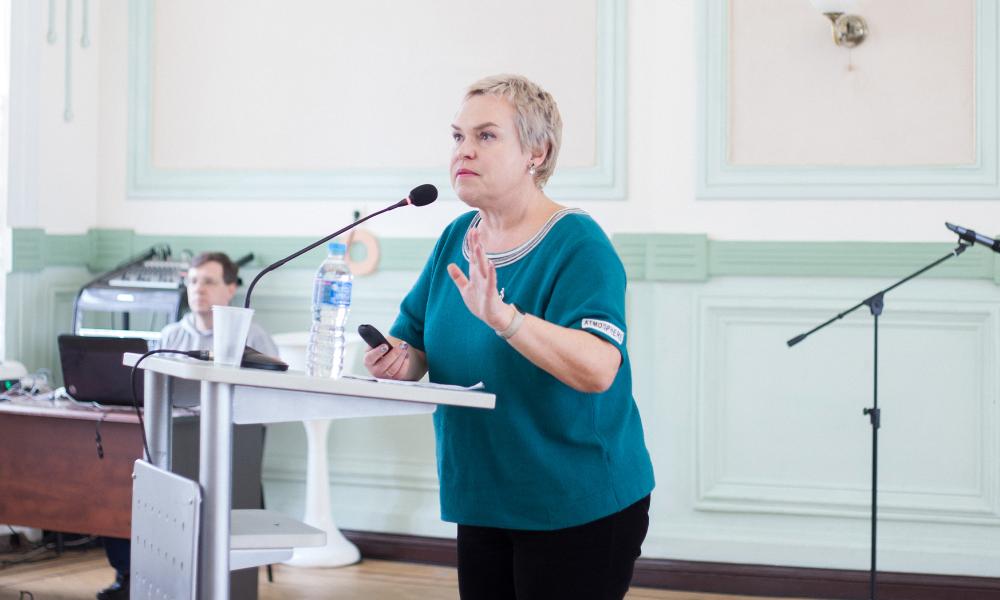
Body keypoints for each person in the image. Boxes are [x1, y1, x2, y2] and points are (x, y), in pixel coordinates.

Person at [364, 75, 655, 600]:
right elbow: (414, 347)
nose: (464, 150)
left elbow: (598, 369)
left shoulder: (579, 244)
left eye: (486, 136)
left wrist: (505, 319)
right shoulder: (456, 237)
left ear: (536, 154)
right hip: (483, 496)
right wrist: (396, 359)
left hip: (575, 501)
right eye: (458, 136)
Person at [97, 252, 279, 600]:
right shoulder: (171, 335)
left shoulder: (252, 337)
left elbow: (269, 400)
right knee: (118, 477)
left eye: (208, 281)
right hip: (172, 436)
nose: (198, 289)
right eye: (193, 281)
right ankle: (131, 576)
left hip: (228, 443)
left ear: (230, 289)